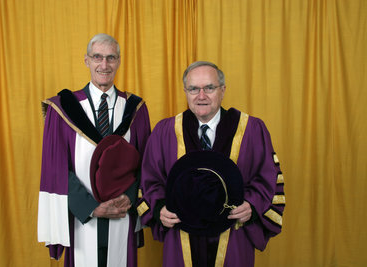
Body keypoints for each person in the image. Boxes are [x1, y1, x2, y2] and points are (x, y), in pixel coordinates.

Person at [137, 61, 285, 266]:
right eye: (193, 89)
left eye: (209, 88)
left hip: (233, 239)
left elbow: (268, 179)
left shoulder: (251, 130)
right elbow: (149, 181)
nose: (201, 96)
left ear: (222, 90)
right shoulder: (165, 131)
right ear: (185, 92)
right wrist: (159, 207)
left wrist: (251, 205)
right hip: (181, 240)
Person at [37, 33, 151, 267]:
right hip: (83, 218)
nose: (104, 64)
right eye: (97, 57)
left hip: (122, 213)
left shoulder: (135, 109)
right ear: (86, 61)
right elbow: (56, 167)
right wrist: (92, 207)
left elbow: (146, 163)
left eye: (111, 58)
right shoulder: (63, 109)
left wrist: (126, 199)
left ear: (119, 61)